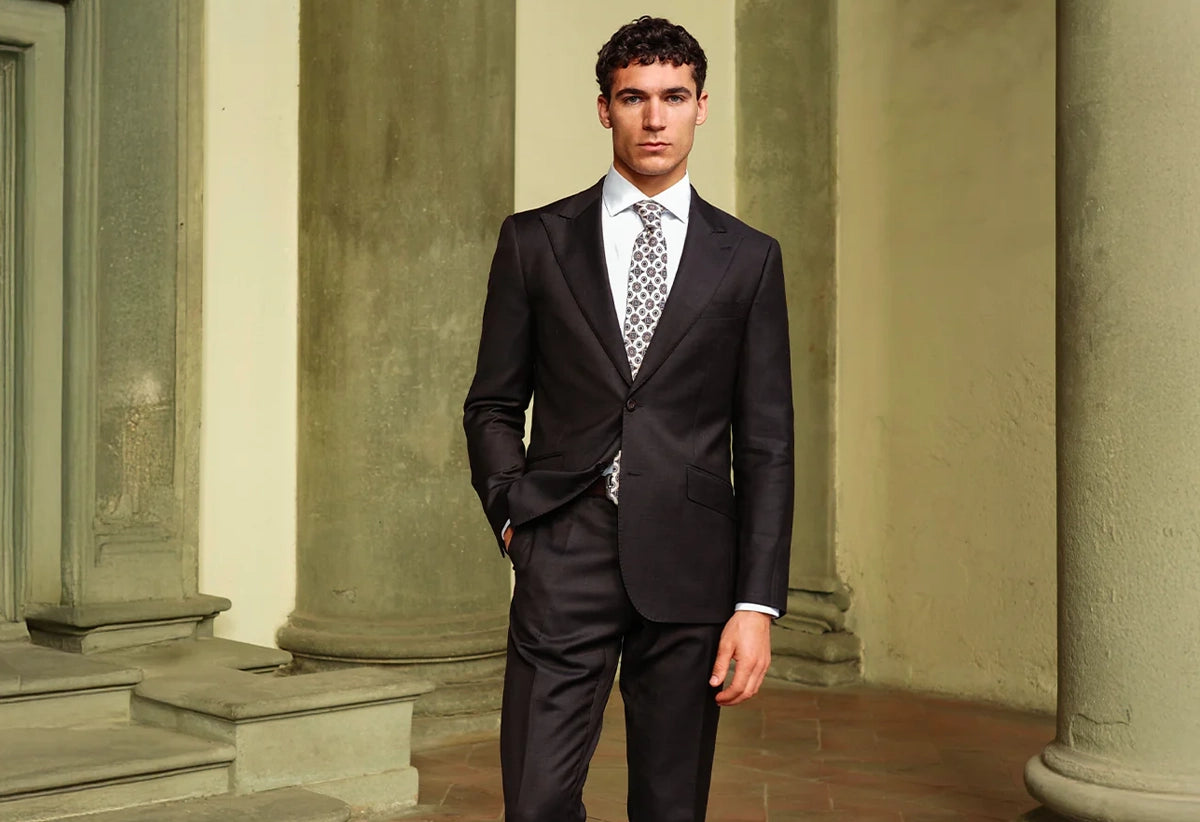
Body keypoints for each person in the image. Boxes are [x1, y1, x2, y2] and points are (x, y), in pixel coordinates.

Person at [463, 15, 794, 822]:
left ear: (701, 107)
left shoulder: (749, 257)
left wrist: (756, 604)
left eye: (673, 97)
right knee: (536, 802)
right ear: (604, 108)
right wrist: (514, 517)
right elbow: (493, 404)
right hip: (563, 544)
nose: (654, 118)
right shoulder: (535, 241)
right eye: (634, 97)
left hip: (692, 562)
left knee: (669, 806)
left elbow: (766, 444)